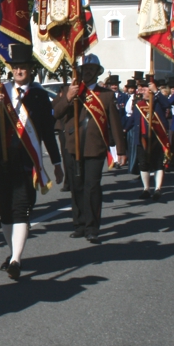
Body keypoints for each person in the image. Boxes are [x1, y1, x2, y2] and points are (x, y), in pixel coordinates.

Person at [0, 43, 63, 280]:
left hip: (26, 162)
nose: (19, 71)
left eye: (23, 67)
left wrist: (57, 163)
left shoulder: (39, 96)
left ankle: (16, 259)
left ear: (30, 70)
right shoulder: (1, 92)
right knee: (5, 210)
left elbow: (47, 132)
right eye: (15, 67)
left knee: (21, 208)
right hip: (2, 159)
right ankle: (12, 253)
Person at [52, 55, 127, 243]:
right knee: (76, 187)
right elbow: (56, 113)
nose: (88, 72)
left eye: (91, 69)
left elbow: (115, 124)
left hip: (95, 147)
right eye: (85, 69)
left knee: (92, 187)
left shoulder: (106, 95)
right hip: (73, 147)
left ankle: (92, 227)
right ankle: (79, 224)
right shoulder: (69, 90)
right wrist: (68, 97)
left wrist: (121, 150)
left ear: (97, 72)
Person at [132, 78, 172, 199]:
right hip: (142, 138)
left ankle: (158, 189)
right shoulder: (139, 104)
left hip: (157, 137)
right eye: (141, 89)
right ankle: (146, 189)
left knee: (158, 164)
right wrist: (122, 129)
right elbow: (132, 120)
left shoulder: (158, 102)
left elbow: (167, 104)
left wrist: (156, 92)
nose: (142, 91)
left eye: (144, 89)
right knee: (143, 164)